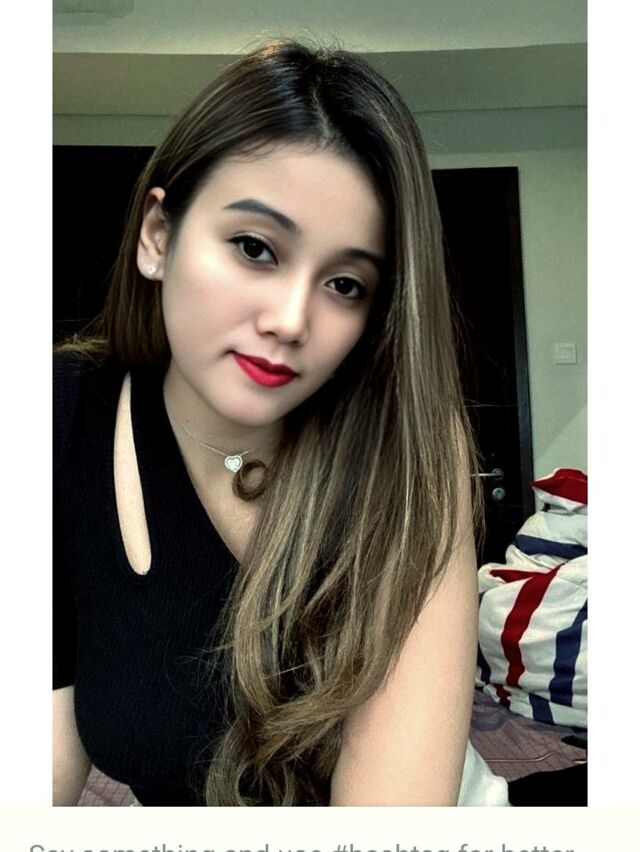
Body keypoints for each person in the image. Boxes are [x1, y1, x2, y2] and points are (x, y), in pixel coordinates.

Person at [53, 39, 508, 807]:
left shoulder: (409, 452)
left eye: (345, 284)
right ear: (158, 236)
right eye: (255, 247)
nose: (292, 320)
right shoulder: (58, 419)